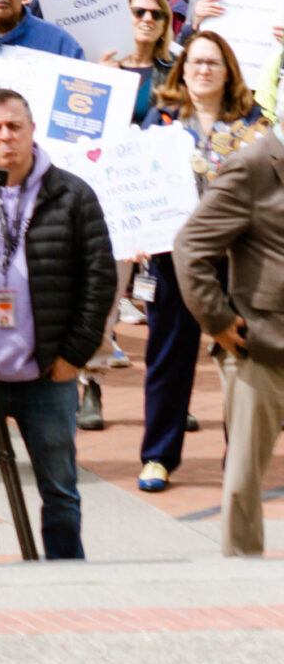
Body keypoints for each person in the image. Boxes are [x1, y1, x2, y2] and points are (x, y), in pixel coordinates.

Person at [0, 88, 115, 560]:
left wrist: (72, 357)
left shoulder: (72, 194)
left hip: (47, 373)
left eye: (14, 126)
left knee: (60, 489)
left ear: (33, 130)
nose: (6, 137)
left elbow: (99, 280)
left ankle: (64, 574)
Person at [135, 29, 274, 493]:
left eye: (213, 62)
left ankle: (240, 457)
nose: (202, 70)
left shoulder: (253, 124)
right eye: (194, 61)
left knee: (240, 360)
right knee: (168, 358)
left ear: (229, 71)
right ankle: (158, 456)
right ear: (182, 69)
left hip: (238, 260)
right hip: (172, 257)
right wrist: (137, 233)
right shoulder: (162, 118)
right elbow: (136, 185)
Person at [172, 114, 284, 555]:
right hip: (261, 346)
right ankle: (241, 577)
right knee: (244, 480)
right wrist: (216, 320)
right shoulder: (252, 165)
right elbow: (191, 247)